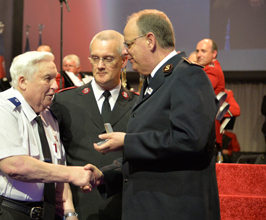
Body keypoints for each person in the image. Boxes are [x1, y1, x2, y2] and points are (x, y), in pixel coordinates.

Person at [90, 9, 220, 220]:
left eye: (129, 44)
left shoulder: (188, 76)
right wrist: (106, 176)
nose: (126, 52)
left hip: (174, 211)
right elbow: (155, 155)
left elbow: (189, 140)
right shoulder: (156, 81)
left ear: (150, 40)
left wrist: (127, 142)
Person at [0, 51, 99, 220]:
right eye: (47, 79)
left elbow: (56, 174)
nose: (55, 86)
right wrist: (73, 173)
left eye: (55, 79)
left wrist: (70, 214)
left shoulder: (48, 116)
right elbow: (14, 166)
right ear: (23, 82)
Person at [51, 30, 138, 220]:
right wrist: (68, 210)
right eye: (95, 58)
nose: (99, 66)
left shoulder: (138, 105)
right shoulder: (65, 101)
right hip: (78, 209)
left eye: (107, 59)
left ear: (124, 61)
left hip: (125, 208)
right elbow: (55, 157)